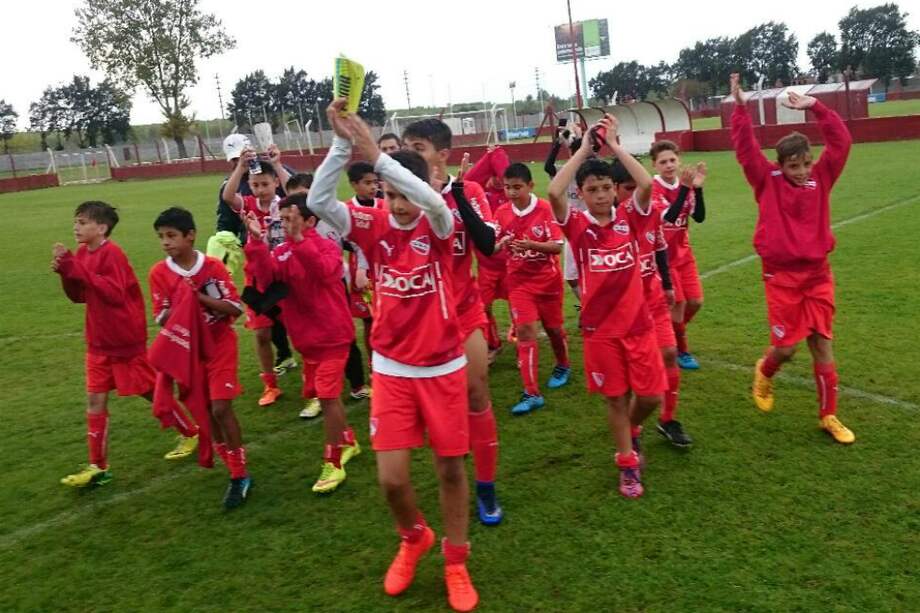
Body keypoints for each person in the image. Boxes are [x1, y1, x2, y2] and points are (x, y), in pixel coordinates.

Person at [309, 99, 479, 612]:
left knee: (450, 471)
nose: (396, 204)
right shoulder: (371, 225)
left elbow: (432, 201)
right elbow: (319, 199)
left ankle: (456, 561)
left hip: (444, 366)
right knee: (391, 479)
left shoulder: (438, 222)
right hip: (391, 369)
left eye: (403, 193)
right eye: (387, 194)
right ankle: (413, 537)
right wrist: (343, 142)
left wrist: (379, 155)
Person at [729, 73, 855, 445]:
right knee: (785, 350)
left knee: (821, 341)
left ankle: (828, 414)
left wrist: (815, 106)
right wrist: (739, 109)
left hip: (818, 274)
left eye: (804, 164)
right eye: (792, 166)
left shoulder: (822, 176)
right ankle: (765, 372)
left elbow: (842, 142)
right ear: (780, 165)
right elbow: (745, 149)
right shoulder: (766, 180)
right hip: (781, 277)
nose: (800, 172)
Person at [547, 115, 667, 498]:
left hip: (638, 326)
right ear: (581, 193)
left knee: (650, 397)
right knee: (615, 398)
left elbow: (646, 183)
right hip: (601, 332)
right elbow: (553, 193)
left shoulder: (631, 219)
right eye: (591, 189)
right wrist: (583, 149)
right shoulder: (578, 228)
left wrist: (614, 145)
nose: (599, 195)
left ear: (615, 191)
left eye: (605, 188)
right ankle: (627, 463)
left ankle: (632, 430)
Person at [53, 202, 198, 488]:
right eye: (76, 222)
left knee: (148, 391)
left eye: (82, 222)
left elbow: (114, 294)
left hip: (123, 339)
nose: (76, 227)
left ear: (102, 228)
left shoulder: (112, 254)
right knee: (94, 399)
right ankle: (98, 466)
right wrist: (65, 273)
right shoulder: (83, 253)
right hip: (98, 340)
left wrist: (75, 270)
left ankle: (191, 431)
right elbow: (80, 295)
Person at [402, 118, 503, 527]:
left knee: (476, 393)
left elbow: (490, 246)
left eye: (420, 147)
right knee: (435, 412)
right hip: (420, 321)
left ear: (442, 155)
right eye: (407, 146)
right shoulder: (399, 197)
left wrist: (455, 194)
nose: (410, 153)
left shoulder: (470, 191)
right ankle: (449, 472)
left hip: (463, 310)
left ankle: (486, 485)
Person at [243, 195, 362, 493]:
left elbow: (325, 272)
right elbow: (265, 278)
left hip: (334, 336)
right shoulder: (281, 252)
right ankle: (348, 440)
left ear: (311, 221)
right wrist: (257, 243)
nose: (285, 225)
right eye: (281, 220)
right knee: (323, 395)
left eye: (291, 218)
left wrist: (299, 241)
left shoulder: (325, 248)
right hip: (307, 340)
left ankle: (333, 461)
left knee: (326, 396)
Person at [148, 207, 252, 508]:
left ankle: (239, 474)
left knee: (221, 407)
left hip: (219, 345)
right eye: (161, 237)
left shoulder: (212, 267)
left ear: (190, 236)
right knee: (205, 410)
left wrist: (200, 298)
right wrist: (181, 305)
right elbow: (161, 318)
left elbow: (235, 308)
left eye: (172, 235)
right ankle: (229, 460)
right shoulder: (159, 273)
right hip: (189, 351)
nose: (166, 242)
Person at [610, 160, 692, 448]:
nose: (636, 194)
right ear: (615, 189)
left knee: (669, 352)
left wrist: (667, 283)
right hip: (627, 309)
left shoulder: (650, 212)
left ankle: (668, 419)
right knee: (636, 378)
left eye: (637, 187)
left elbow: (658, 248)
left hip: (654, 297)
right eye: (628, 189)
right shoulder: (609, 221)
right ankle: (632, 431)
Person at [286, 173, 371, 414]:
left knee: (344, 337)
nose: (299, 203)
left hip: (332, 287)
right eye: (294, 198)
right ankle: (315, 392)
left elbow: (359, 243)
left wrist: (362, 268)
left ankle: (357, 384)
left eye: (304, 195)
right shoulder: (289, 227)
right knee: (310, 341)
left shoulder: (333, 219)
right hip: (303, 292)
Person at [494, 163, 570, 414]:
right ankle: (531, 392)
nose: (512, 192)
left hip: (548, 281)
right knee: (526, 331)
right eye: (507, 187)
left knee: (554, 329)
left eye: (517, 187)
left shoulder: (545, 209)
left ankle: (563, 364)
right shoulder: (502, 212)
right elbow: (493, 245)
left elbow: (557, 246)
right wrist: (501, 243)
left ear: (530, 186)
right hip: (519, 282)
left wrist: (532, 245)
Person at [218, 134, 297, 377]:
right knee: (262, 332)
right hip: (257, 278)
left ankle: (312, 383)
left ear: (275, 183)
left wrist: (276, 164)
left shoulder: (284, 205)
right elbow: (228, 197)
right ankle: (270, 384)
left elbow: (296, 193)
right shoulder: (249, 204)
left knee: (298, 327)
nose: (260, 189)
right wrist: (241, 167)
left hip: (286, 274)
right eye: (255, 185)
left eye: (265, 184)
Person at [649, 140, 707, 370]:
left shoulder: (686, 186)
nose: (669, 165)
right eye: (663, 162)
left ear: (679, 160)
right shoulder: (653, 188)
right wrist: (685, 188)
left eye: (672, 160)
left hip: (684, 254)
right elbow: (670, 217)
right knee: (678, 307)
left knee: (696, 302)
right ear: (655, 165)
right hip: (664, 258)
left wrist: (698, 188)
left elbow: (699, 217)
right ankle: (682, 350)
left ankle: (667, 336)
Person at [465, 147, 511, 363]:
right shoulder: (477, 193)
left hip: (512, 263)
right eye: (498, 176)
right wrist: (490, 156)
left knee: (518, 305)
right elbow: (468, 179)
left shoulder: (511, 195)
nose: (502, 182)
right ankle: (493, 343)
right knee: (484, 306)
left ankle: (521, 334)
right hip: (487, 266)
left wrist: (497, 156)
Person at [544, 122, 587, 303]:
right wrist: (558, 141)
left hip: (591, 225)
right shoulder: (566, 173)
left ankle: (594, 307)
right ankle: (587, 306)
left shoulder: (591, 170)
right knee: (572, 277)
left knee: (590, 271)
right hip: (573, 229)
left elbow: (548, 167)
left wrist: (562, 141)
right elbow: (548, 167)